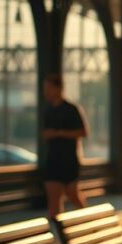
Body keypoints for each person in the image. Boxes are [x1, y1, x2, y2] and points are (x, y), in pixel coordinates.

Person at [42, 73, 88, 218]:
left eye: (49, 88)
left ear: (59, 88)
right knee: (53, 202)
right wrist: (49, 134)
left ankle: (88, 221)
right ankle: (57, 234)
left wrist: (60, 133)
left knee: (72, 194)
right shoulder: (48, 111)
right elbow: (44, 133)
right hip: (53, 160)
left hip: (69, 160)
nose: (46, 92)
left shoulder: (71, 109)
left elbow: (83, 132)